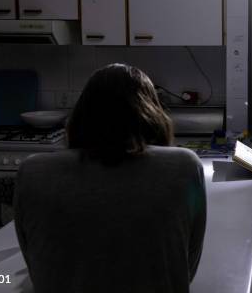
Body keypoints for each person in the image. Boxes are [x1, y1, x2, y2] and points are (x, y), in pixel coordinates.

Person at [14, 64, 206, 293]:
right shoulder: (184, 167)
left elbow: (36, 266)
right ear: (152, 114)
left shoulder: (32, 172)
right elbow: (186, 268)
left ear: (81, 114)